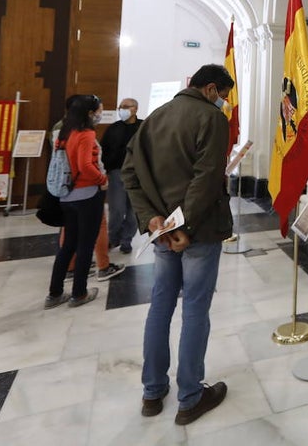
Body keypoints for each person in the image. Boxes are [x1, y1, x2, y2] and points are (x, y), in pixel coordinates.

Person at [122, 64, 234, 425]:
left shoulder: (154, 118)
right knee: (195, 310)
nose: (225, 104)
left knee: (160, 305)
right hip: (195, 233)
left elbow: (130, 174)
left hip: (162, 231)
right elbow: (207, 177)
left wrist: (154, 221)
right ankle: (190, 396)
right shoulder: (211, 118)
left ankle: (152, 392)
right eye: (225, 96)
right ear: (212, 89)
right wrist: (184, 225)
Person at [44, 94, 109, 309]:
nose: (100, 114)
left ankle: (54, 293)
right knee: (85, 244)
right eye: (98, 110)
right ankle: (79, 293)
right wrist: (102, 180)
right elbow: (85, 166)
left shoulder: (63, 132)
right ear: (89, 113)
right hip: (86, 194)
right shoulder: (85, 133)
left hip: (66, 195)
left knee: (68, 244)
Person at [102, 97, 142, 253]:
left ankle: (127, 240)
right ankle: (113, 238)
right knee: (117, 210)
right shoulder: (113, 128)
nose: (122, 109)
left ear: (135, 109)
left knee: (133, 213)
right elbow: (104, 150)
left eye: (126, 106)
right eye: (121, 107)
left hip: (138, 175)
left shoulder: (143, 127)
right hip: (117, 173)